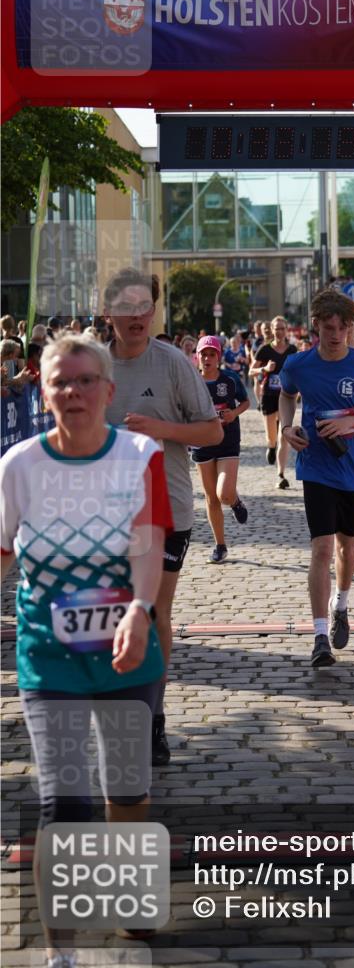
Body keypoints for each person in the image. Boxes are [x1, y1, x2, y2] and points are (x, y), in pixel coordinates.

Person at [0, 334, 172, 963]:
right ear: (42, 392)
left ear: (107, 389)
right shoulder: (18, 465)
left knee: (125, 790)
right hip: (49, 655)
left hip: (128, 648)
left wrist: (139, 610)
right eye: (59, 382)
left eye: (84, 380)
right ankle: (61, 952)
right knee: (65, 802)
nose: (72, 392)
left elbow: (148, 543)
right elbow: (2, 550)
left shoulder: (140, 455)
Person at [104, 268, 222, 766]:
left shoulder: (172, 362)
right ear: (109, 312)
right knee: (112, 616)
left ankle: (152, 717)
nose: (137, 316)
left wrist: (160, 429)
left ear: (153, 312)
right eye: (126, 307)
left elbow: (213, 432)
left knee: (152, 613)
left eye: (144, 308)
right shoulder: (93, 365)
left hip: (166, 511)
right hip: (105, 515)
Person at [279, 289, 354, 668]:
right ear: (316, 326)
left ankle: (340, 605)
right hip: (316, 465)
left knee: (347, 547)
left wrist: (350, 422)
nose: (337, 335)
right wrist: (287, 427)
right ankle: (319, 637)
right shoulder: (299, 364)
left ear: (351, 328)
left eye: (344, 328)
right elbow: (286, 395)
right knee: (321, 549)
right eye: (329, 328)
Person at [192, 335, 250, 563]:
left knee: (224, 493)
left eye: (211, 354)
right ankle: (220, 545)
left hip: (228, 440)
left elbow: (245, 402)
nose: (207, 359)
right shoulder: (191, 381)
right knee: (211, 498)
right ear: (197, 357)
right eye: (203, 354)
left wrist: (233, 413)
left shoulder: (230, 379)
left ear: (218, 357)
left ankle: (234, 502)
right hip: (202, 442)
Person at [250, 316, 297, 489]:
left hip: (287, 396)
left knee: (284, 435)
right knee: (272, 437)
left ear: (287, 330)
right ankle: (270, 446)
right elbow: (251, 371)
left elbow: (298, 371)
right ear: (272, 330)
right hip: (269, 395)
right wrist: (264, 368)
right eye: (277, 328)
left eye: (282, 328)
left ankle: (281, 474)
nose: (279, 332)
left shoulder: (292, 350)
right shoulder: (264, 349)